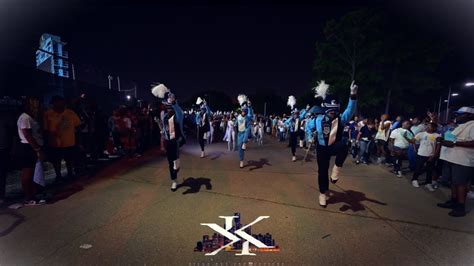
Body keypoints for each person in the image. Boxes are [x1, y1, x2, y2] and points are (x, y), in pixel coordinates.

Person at [305, 80, 358, 207]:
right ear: (325, 109)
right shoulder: (317, 119)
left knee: (344, 147)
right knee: (322, 172)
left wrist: (353, 95)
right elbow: (308, 127)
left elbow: (350, 110)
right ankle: (322, 193)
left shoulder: (341, 119)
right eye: (330, 111)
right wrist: (309, 137)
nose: (333, 113)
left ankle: (336, 169)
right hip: (322, 148)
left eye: (335, 111)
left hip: (334, 145)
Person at [437, 107, 474, 217]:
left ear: (470, 115)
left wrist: (455, 144)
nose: (457, 116)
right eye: (457, 114)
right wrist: (443, 140)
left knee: (461, 184)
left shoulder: (472, 125)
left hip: (462, 160)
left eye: (460, 114)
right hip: (453, 158)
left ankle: (460, 206)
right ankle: (453, 201)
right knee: (454, 182)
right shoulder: (460, 126)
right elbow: (453, 139)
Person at [151, 83, 185, 191]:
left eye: (169, 106)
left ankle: (176, 168)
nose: (167, 108)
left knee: (176, 162)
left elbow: (180, 115)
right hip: (167, 140)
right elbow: (162, 126)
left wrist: (174, 102)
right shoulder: (162, 113)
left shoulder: (177, 111)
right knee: (171, 162)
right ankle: (174, 181)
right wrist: (160, 127)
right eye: (166, 106)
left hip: (176, 139)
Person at [15, 97, 46, 205]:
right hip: (28, 147)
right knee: (27, 173)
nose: (38, 107)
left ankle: (33, 194)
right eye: (37, 105)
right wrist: (37, 149)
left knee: (33, 172)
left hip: (31, 147)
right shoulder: (25, 118)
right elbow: (27, 135)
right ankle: (28, 197)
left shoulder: (29, 117)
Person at [43, 95, 81, 181]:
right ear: (54, 104)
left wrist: (79, 141)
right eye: (57, 103)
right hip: (55, 143)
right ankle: (58, 176)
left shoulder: (70, 113)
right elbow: (46, 130)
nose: (61, 105)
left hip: (69, 141)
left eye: (62, 103)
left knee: (69, 159)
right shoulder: (48, 114)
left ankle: (70, 173)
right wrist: (48, 142)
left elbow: (78, 126)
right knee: (56, 160)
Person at [403, 122, 440, 190]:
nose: (427, 127)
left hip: (431, 155)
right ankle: (414, 180)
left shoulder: (437, 136)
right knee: (418, 168)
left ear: (434, 128)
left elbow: (438, 146)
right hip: (421, 154)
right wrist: (405, 137)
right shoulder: (421, 134)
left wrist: (434, 155)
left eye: (429, 126)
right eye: (427, 126)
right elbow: (412, 141)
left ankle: (428, 183)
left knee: (429, 170)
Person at [236, 94, 253, 168]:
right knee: (239, 147)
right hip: (239, 133)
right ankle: (241, 160)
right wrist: (234, 123)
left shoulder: (248, 117)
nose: (243, 112)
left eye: (244, 111)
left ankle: (245, 142)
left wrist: (249, 106)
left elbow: (250, 113)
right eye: (242, 111)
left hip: (245, 133)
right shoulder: (238, 116)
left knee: (247, 130)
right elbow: (236, 123)